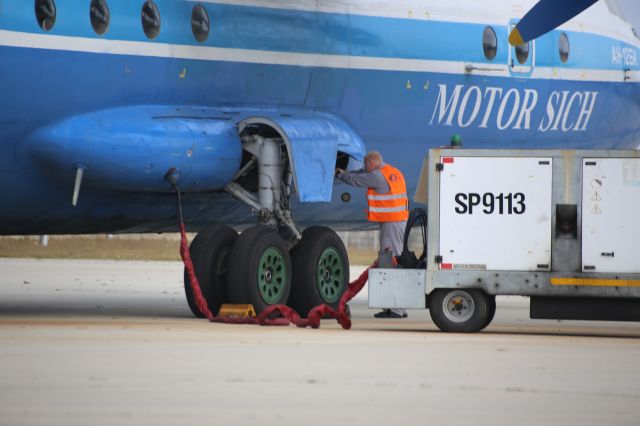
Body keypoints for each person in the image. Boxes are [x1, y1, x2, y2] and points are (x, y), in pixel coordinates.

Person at [335, 151, 409, 318]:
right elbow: (362, 174)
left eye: (365, 165)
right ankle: (395, 306)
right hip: (397, 221)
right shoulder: (392, 172)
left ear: (371, 163)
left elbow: (356, 179)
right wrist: (345, 171)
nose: (365, 168)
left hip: (391, 224)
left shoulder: (377, 176)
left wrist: (341, 176)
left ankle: (397, 308)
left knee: (391, 262)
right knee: (392, 260)